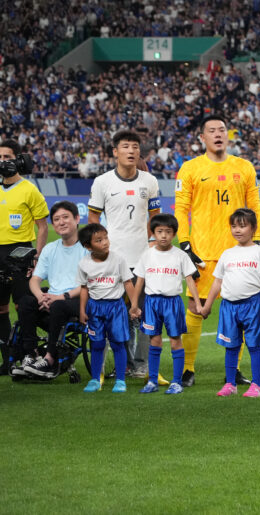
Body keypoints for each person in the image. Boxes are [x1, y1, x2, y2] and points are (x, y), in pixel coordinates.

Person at [175, 114, 260, 387]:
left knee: (238, 308)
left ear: (228, 135)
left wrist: (257, 239)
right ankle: (188, 369)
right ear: (202, 137)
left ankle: (233, 371)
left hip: (238, 251)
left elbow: (254, 205)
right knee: (195, 306)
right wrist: (185, 243)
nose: (217, 134)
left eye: (222, 130)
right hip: (202, 252)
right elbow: (180, 209)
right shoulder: (190, 168)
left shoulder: (244, 167)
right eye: (211, 130)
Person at [87, 130, 161, 380]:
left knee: (141, 313)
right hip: (112, 260)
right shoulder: (102, 182)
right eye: (126, 146)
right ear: (115, 152)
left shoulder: (149, 182)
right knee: (112, 313)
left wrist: (153, 242)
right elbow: (94, 218)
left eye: (135, 147)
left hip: (142, 259)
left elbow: (155, 218)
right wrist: (99, 247)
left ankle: (139, 364)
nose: (131, 151)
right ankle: (120, 363)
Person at [199, 208, 260, 398]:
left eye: (242, 226)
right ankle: (230, 383)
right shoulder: (227, 254)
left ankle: (256, 385)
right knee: (231, 346)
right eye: (234, 226)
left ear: (253, 228)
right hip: (229, 306)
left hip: (252, 305)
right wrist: (207, 305)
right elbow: (217, 281)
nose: (237, 230)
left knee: (253, 345)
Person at [16, 202, 88, 379]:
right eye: (56, 219)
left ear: (77, 219)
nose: (61, 222)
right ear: (53, 224)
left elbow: (89, 283)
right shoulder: (50, 248)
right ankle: (31, 354)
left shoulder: (87, 248)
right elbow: (35, 279)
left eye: (65, 217)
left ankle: (49, 359)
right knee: (25, 302)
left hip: (78, 298)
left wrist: (60, 297)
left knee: (58, 306)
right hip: (53, 297)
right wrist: (41, 296)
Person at [129, 214, 200, 395]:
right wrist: (135, 305)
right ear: (153, 233)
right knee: (155, 340)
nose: (163, 236)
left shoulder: (180, 256)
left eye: (168, 232)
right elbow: (139, 282)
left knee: (176, 341)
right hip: (152, 303)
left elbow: (190, 280)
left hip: (172, 303)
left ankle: (176, 382)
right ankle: (152, 380)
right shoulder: (146, 255)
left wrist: (198, 303)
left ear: (174, 234)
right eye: (159, 231)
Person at [0, 139, 49, 374]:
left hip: (21, 252)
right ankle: (7, 359)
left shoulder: (29, 189)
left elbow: (42, 227)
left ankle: (27, 354)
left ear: (18, 159)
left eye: (7, 157)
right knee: (1, 309)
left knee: (22, 306)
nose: (3, 161)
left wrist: (36, 257)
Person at [77, 223, 136, 393]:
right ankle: (95, 379)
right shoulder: (83, 264)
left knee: (118, 344)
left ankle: (120, 381)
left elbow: (127, 283)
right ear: (88, 246)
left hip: (115, 307)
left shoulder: (118, 259)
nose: (105, 242)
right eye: (99, 240)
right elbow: (84, 288)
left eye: (105, 238)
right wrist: (82, 310)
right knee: (97, 344)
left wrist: (133, 306)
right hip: (94, 308)